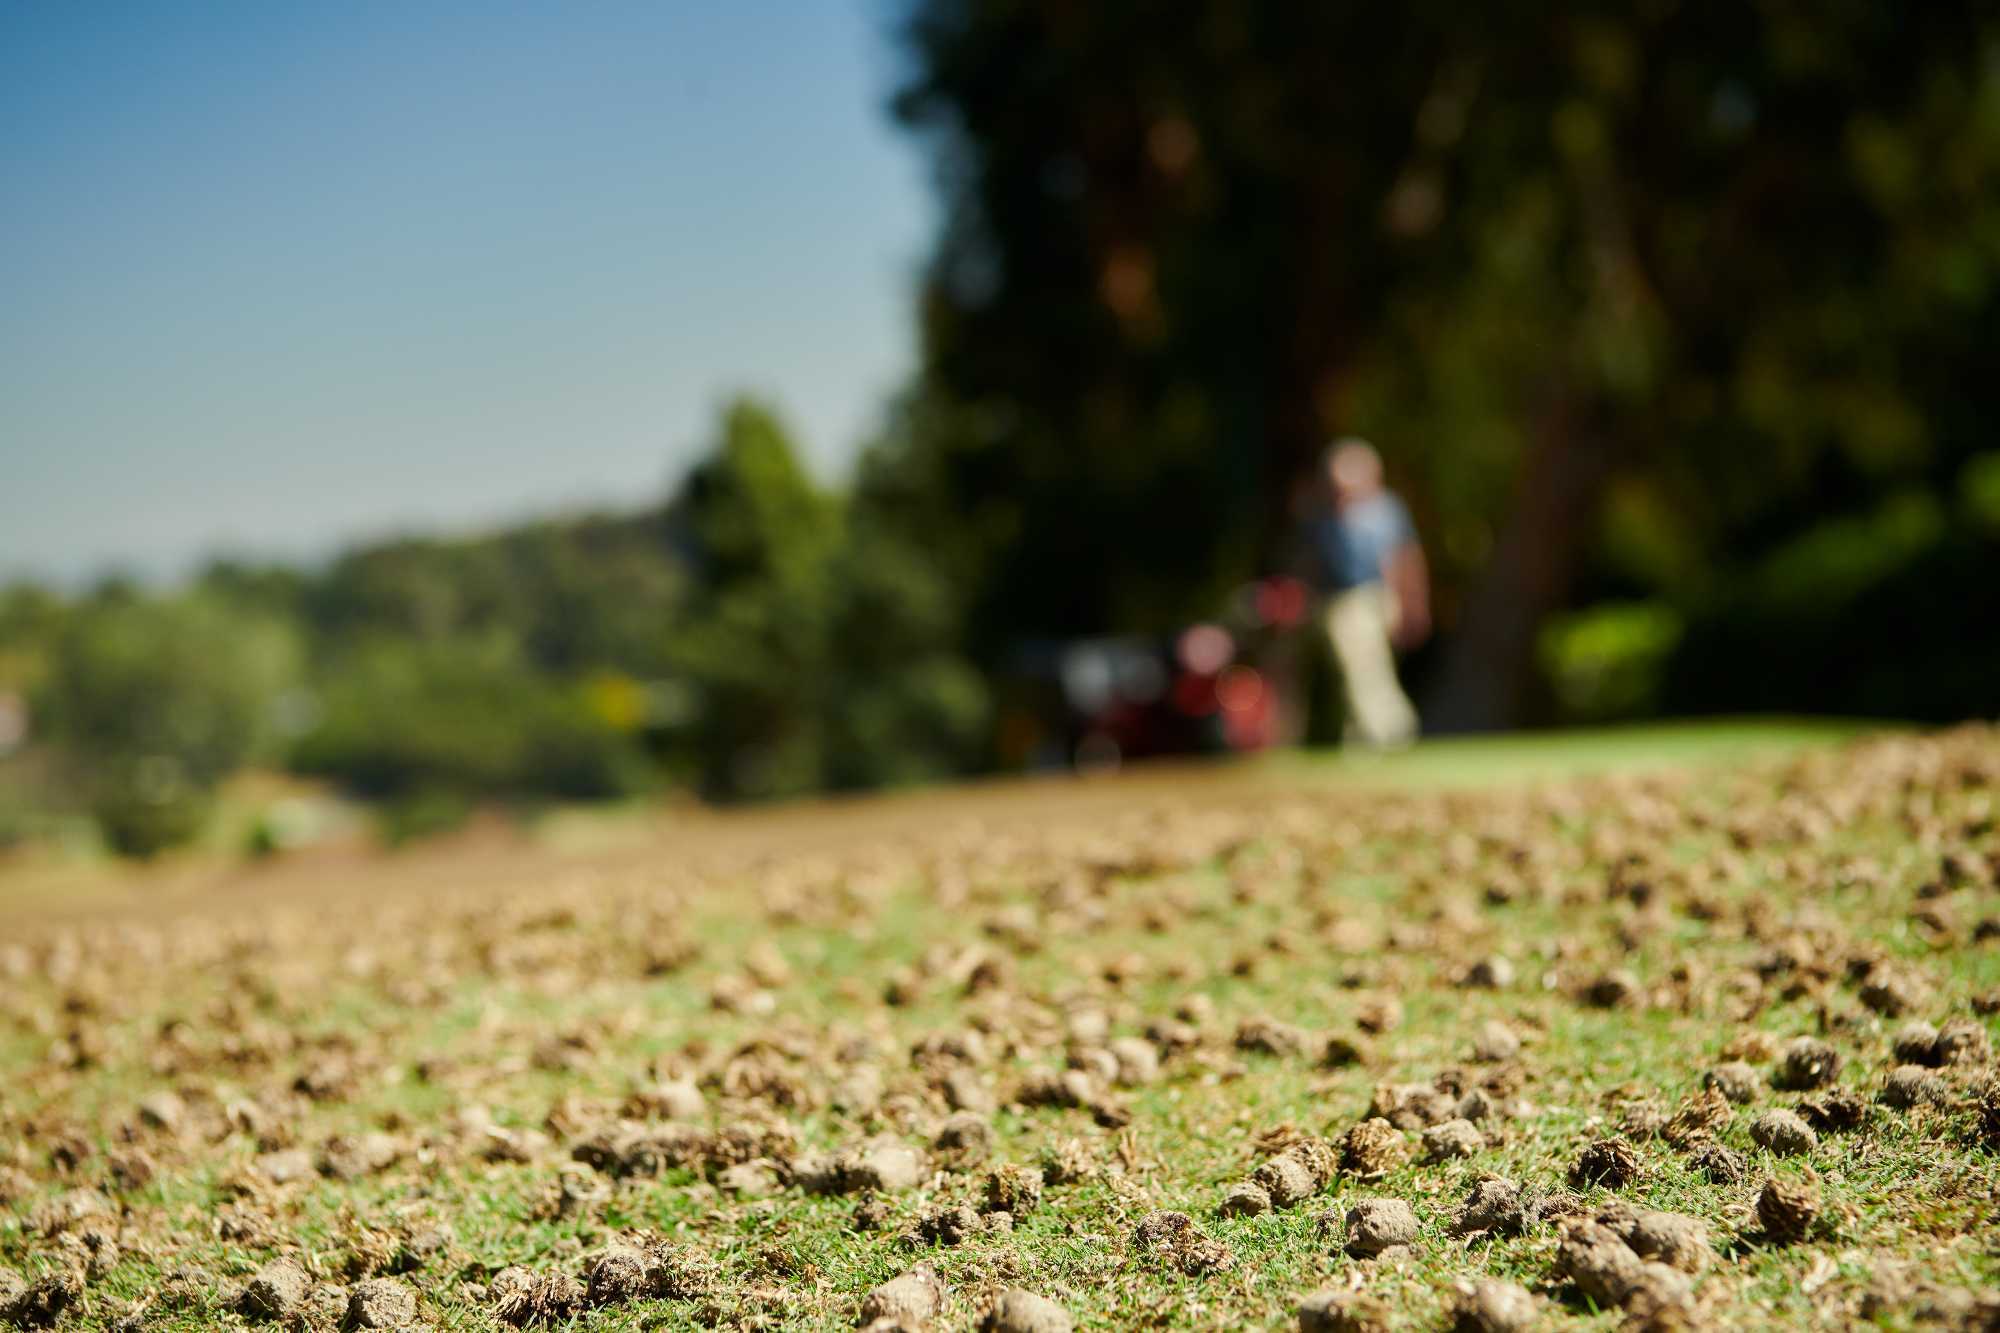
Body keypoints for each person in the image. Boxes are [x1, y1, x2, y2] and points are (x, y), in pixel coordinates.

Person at [1303, 438, 1428, 748]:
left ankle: (1392, 727)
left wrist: (1412, 603)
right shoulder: (1324, 515)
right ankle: (1362, 736)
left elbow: (1403, 558)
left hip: (1371, 597)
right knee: (1358, 667)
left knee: (1366, 666)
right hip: (1339, 601)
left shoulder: (1385, 511)